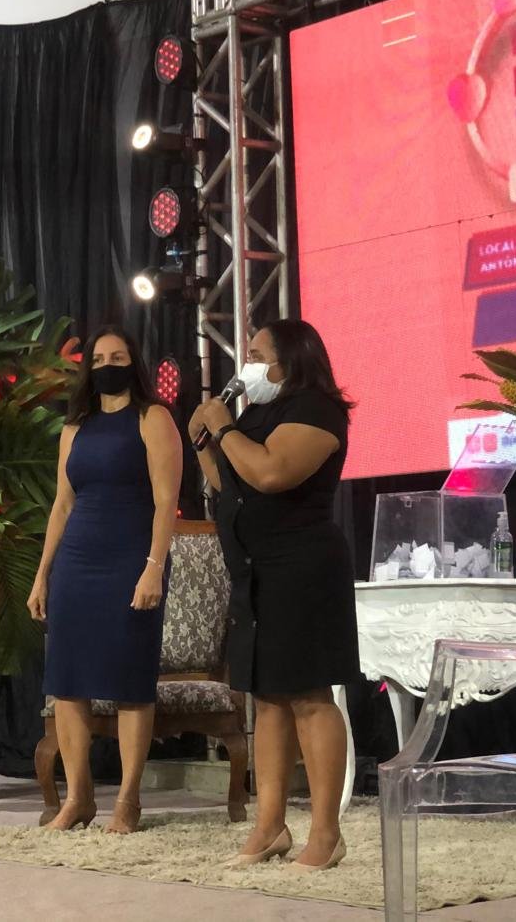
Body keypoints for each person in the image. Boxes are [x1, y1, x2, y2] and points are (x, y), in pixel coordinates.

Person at [189, 318, 359, 871]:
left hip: (302, 569)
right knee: (266, 699)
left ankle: (327, 834)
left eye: (258, 354)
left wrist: (224, 429)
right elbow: (231, 488)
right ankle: (270, 827)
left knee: (309, 696)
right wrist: (204, 444)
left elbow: (270, 474)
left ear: (291, 359)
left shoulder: (316, 409)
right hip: (254, 571)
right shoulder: (255, 415)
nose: (249, 363)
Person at [27, 326, 182, 833]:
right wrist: (42, 575)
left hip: (131, 560)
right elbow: (62, 504)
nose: (107, 365)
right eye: (98, 359)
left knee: (130, 681)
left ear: (133, 362)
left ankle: (128, 801)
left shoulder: (153, 418)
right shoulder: (75, 427)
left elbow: (166, 501)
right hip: (77, 563)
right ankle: (79, 798)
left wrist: (153, 567)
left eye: (117, 357)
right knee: (67, 682)